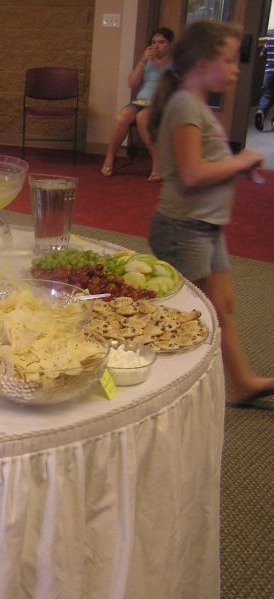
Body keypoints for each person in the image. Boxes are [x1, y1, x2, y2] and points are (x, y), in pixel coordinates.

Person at [147, 20, 274, 404]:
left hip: (205, 225)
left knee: (222, 307)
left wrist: (237, 165)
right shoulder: (186, 103)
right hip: (184, 228)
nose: (237, 69)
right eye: (230, 60)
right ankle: (169, 393)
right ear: (202, 63)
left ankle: (241, 382)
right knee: (189, 317)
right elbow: (191, 173)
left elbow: (203, 163)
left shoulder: (195, 104)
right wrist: (242, 161)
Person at [101, 27, 174, 181]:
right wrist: (142, 61)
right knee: (122, 117)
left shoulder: (175, 63)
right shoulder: (147, 61)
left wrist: (161, 65)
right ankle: (110, 158)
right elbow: (132, 83)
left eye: (161, 42)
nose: (156, 46)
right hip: (141, 101)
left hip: (160, 103)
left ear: (170, 45)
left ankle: (158, 163)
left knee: (142, 118)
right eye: (153, 42)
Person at [254, 31, 273, 131]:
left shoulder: (270, 40)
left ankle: (260, 111)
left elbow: (261, 54)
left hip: (269, 73)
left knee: (267, 95)